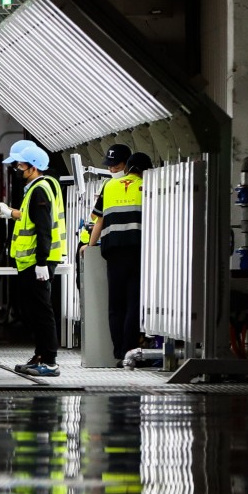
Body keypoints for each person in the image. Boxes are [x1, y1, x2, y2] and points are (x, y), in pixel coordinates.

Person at [0, 144, 64, 377]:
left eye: (20, 164)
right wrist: (9, 212)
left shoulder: (39, 190)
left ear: (33, 166)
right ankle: (41, 355)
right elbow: (30, 218)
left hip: (38, 261)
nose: (17, 167)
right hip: (32, 261)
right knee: (35, 311)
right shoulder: (38, 187)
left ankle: (50, 361)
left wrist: (42, 262)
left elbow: (44, 228)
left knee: (42, 311)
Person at [86, 151, 151, 364]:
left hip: (113, 252)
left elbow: (99, 221)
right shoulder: (148, 187)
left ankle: (117, 353)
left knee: (115, 305)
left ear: (127, 167)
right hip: (138, 251)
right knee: (134, 303)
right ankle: (128, 352)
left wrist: (89, 246)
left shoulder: (109, 186)